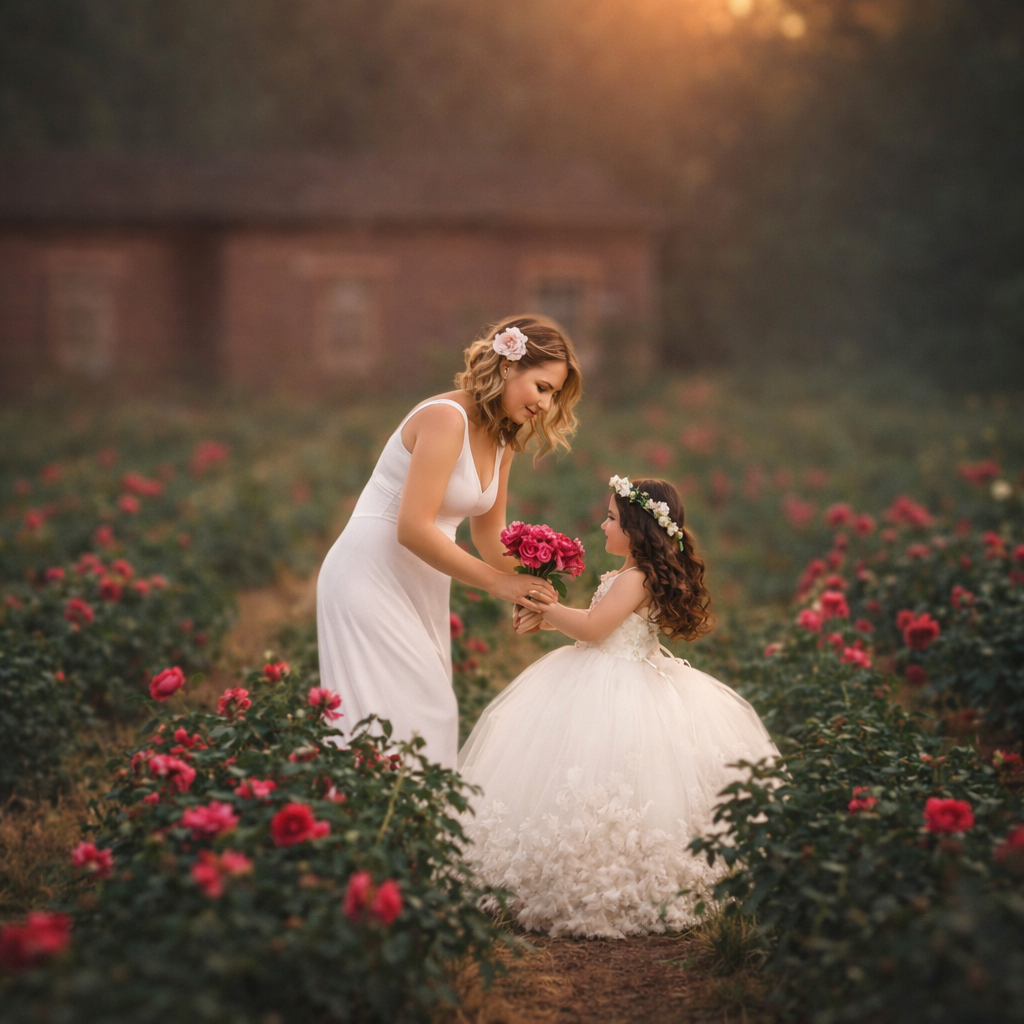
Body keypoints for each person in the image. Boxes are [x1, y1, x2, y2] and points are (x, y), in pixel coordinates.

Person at [458, 476, 778, 938]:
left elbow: (590, 629)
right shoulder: (622, 576)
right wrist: (544, 621)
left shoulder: (638, 578)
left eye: (611, 518)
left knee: (618, 779)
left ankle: (621, 879)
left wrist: (545, 605)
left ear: (635, 528)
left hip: (620, 685)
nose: (602, 525)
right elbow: (597, 627)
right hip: (597, 672)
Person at [316, 315, 582, 769]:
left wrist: (533, 584)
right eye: (541, 387)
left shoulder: (504, 438)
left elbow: (487, 535)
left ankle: (409, 833)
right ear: (506, 367)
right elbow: (414, 527)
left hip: (423, 584)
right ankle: (366, 826)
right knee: (407, 715)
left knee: (426, 717)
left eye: (554, 395)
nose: (545, 403)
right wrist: (498, 585)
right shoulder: (445, 417)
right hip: (368, 575)